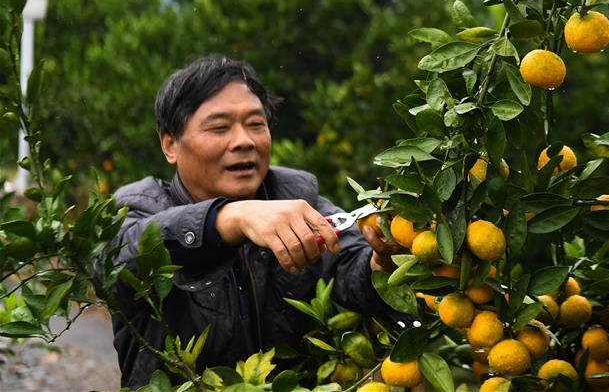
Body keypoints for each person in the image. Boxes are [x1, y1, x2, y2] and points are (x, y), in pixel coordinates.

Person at [107, 55, 402, 387]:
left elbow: (351, 264)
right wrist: (231, 217)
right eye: (219, 127)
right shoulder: (138, 208)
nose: (244, 141)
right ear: (170, 145)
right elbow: (122, 258)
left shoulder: (295, 196)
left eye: (255, 124)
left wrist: (382, 263)